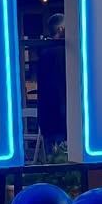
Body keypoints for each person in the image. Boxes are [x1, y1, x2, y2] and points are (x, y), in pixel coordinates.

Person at [36, 13, 67, 156]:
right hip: (61, 115)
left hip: (48, 115)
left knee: (54, 156)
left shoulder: (44, 52)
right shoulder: (62, 52)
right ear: (61, 29)